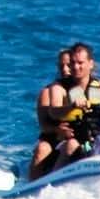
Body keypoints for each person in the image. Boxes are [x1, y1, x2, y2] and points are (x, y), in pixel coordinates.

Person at [28, 42, 100, 181]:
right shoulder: (58, 87)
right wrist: (71, 107)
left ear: (90, 64)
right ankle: (47, 186)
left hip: (94, 138)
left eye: (80, 63)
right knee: (70, 146)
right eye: (72, 63)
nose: (74, 67)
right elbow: (54, 112)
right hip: (67, 138)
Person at [29, 49, 77, 181]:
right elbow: (44, 126)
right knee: (41, 149)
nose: (65, 69)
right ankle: (30, 187)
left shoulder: (89, 88)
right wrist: (58, 130)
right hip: (54, 138)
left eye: (68, 65)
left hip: (79, 137)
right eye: (61, 66)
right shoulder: (47, 92)